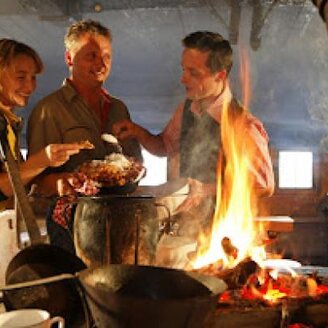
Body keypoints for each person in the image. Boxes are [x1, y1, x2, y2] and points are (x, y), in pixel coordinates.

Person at [113, 31, 275, 237]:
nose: (183, 79)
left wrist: (205, 190)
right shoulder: (187, 108)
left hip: (223, 235)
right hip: (186, 228)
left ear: (220, 76)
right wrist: (137, 132)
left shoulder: (243, 125)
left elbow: (263, 186)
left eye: (193, 73)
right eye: (183, 70)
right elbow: (164, 146)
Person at [27, 19, 142, 253]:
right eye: (91, 55)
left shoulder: (119, 108)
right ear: (69, 58)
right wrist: (61, 182)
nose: (101, 63)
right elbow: (34, 180)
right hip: (72, 224)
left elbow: (135, 165)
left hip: (120, 218)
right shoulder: (48, 110)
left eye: (107, 56)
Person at [0, 38, 85, 210]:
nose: (30, 86)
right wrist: (41, 161)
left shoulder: (8, 123)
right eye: (21, 77)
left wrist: (58, 181)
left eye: (33, 77)